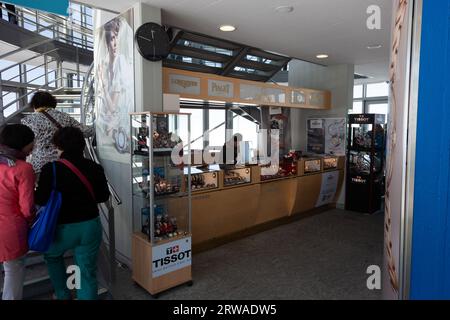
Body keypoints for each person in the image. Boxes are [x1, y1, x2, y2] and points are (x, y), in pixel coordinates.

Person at [35, 127, 110, 300]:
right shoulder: (95, 167)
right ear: (82, 145)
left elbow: (41, 199)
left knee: (53, 258)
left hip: (60, 228)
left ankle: (62, 294)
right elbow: (102, 196)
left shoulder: (51, 169)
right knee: (86, 271)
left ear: (58, 146)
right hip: (89, 226)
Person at [0, 124, 36, 300]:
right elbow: (27, 207)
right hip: (11, 229)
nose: (31, 151)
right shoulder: (23, 169)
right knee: (13, 270)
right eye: (31, 146)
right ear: (21, 144)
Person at [21, 91, 94, 175]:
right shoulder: (64, 116)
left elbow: (24, 144)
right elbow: (86, 131)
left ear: (34, 105)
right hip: (64, 163)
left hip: (40, 165)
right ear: (53, 102)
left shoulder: (27, 121)